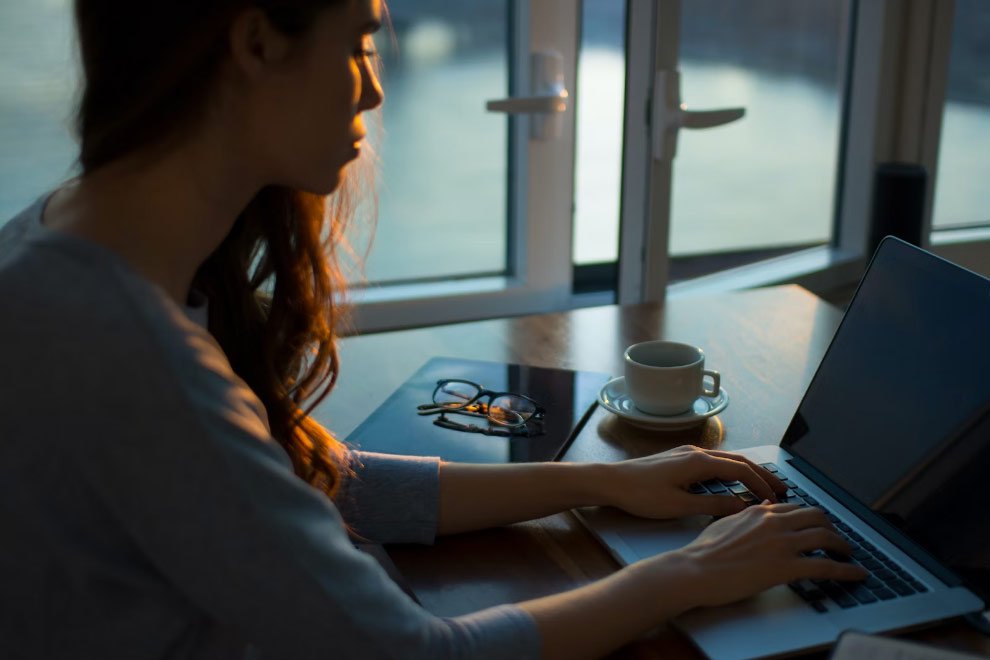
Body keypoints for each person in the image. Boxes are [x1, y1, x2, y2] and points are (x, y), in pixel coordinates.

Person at [0, 1, 866, 658]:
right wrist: (688, 574)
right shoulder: (130, 353)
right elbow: (411, 653)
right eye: (359, 44)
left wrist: (605, 484)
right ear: (257, 42)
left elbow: (309, 480)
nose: (373, 86)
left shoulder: (59, 241)